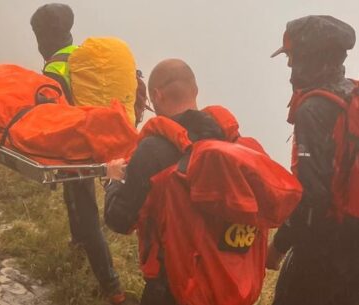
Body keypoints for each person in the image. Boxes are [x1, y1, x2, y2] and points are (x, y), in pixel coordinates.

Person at [104, 59, 297, 305]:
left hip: (173, 292)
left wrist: (113, 181)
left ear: (156, 95)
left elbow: (119, 220)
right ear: (195, 91)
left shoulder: (152, 150)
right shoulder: (231, 145)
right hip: (231, 289)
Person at [30, 3, 133, 304]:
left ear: (44, 37)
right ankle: (77, 243)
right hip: (94, 140)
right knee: (75, 197)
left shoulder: (54, 66)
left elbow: (51, 112)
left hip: (77, 149)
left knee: (86, 211)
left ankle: (111, 286)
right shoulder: (81, 57)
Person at [268, 15, 359, 305]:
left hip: (325, 251)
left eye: (292, 57)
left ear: (309, 57)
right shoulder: (352, 97)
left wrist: (279, 245)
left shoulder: (314, 108)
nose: (289, 66)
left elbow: (312, 198)